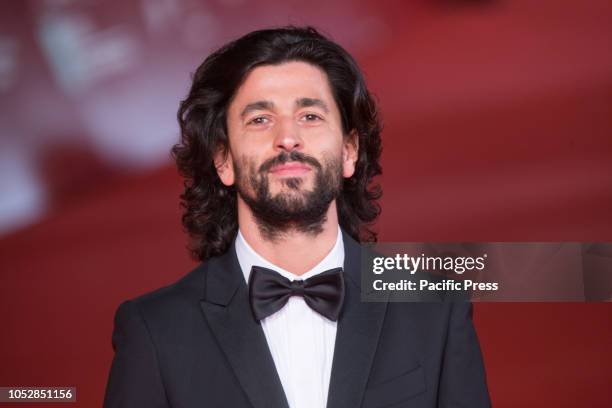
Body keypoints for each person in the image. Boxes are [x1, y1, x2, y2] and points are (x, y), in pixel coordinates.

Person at [103, 26, 491, 408]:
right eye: (260, 119)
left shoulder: (434, 308)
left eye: (309, 116)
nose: (288, 138)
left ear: (349, 151)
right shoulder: (155, 330)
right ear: (223, 161)